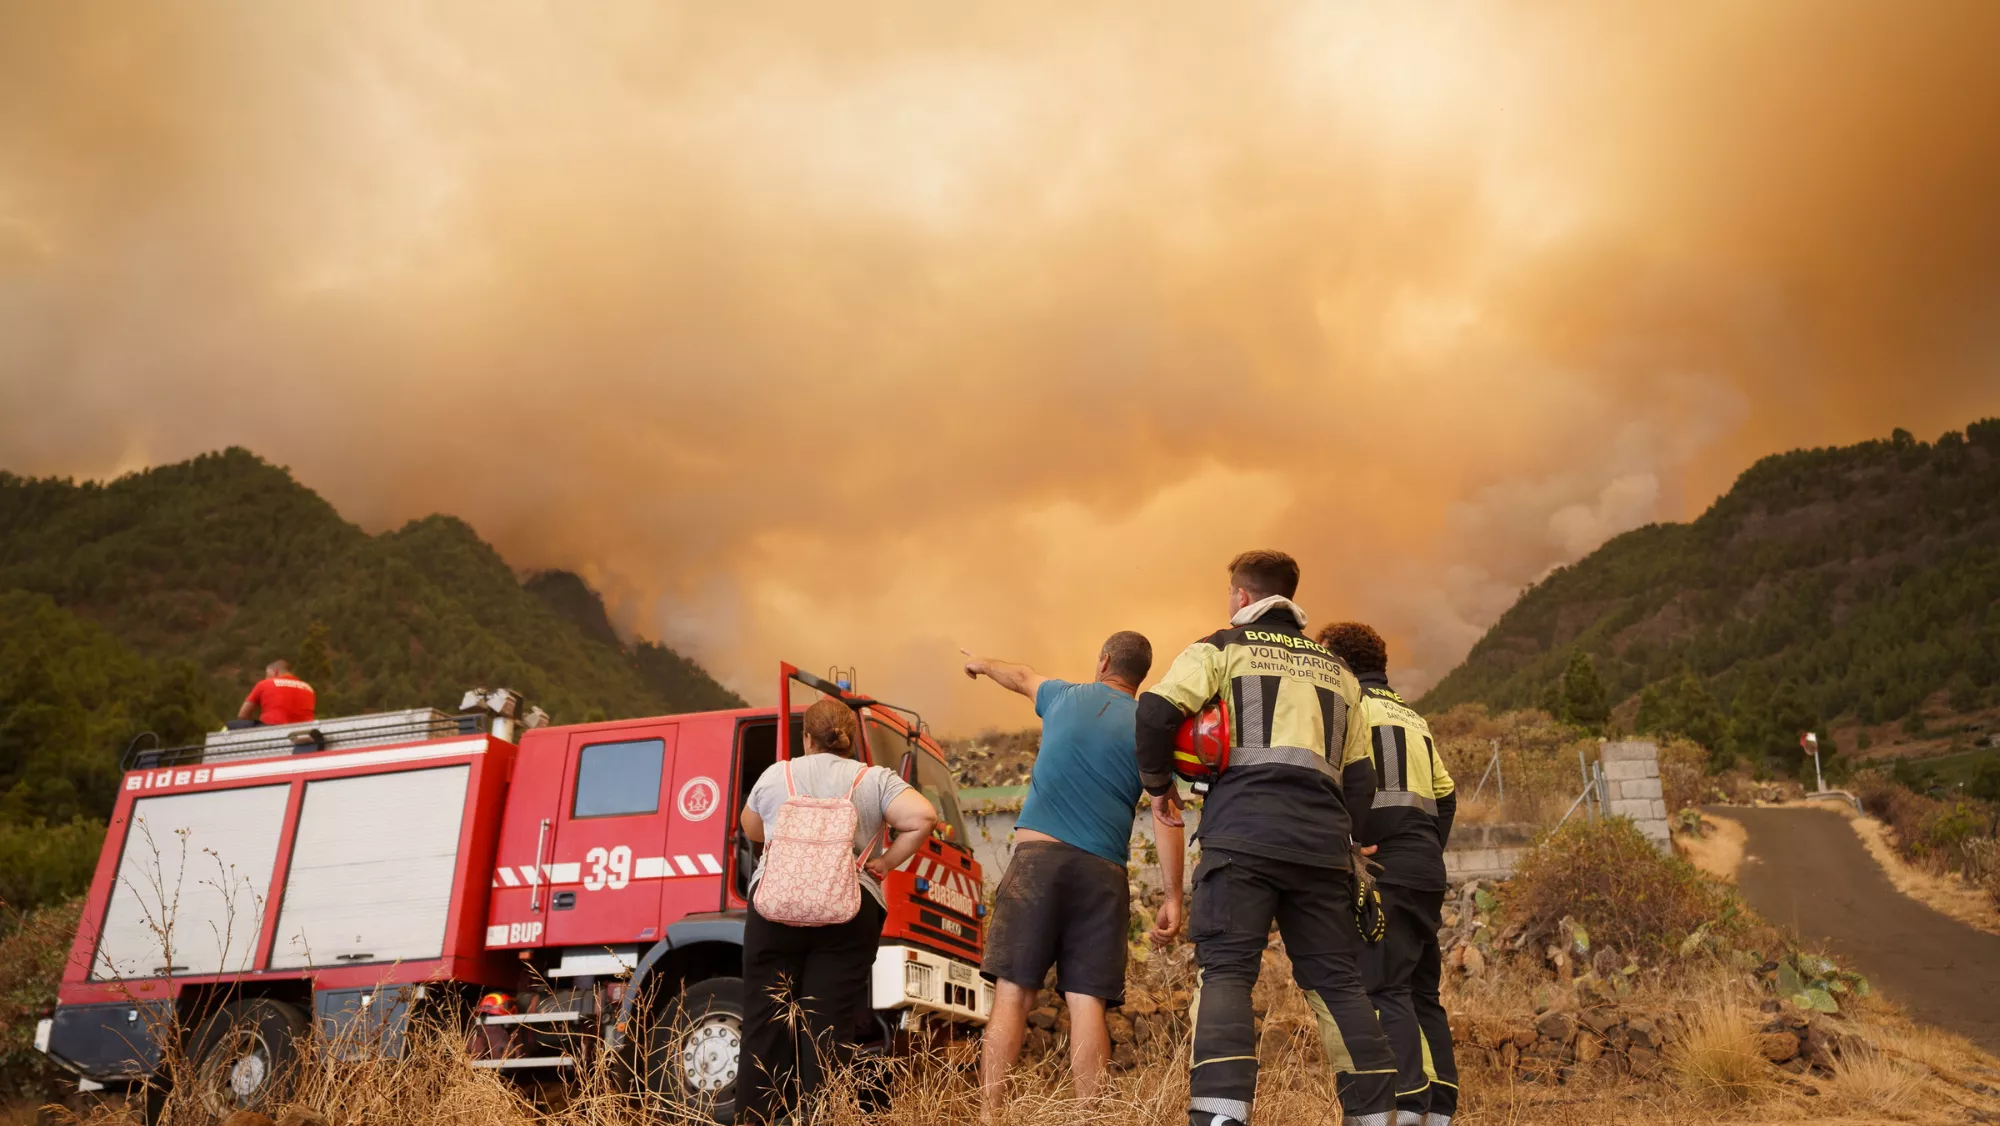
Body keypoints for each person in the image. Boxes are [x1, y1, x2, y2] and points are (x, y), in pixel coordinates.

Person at [1136, 550, 1396, 1126]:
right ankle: (1375, 1116)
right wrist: (1349, 844)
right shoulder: (1340, 672)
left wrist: (1159, 787)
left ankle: (1221, 1114)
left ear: (1242, 597)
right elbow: (1361, 779)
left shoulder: (1221, 646)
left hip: (1241, 840)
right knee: (1337, 982)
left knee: (1227, 970)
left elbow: (1154, 711)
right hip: (1324, 849)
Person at [961, 632, 1182, 1123]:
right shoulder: (1150, 725)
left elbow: (1017, 674)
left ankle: (990, 1117)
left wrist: (980, 662)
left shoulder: (1063, 696)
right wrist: (1172, 897)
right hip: (1102, 873)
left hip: (1037, 863)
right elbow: (1168, 814)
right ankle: (1090, 1118)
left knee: (1013, 992)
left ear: (1103, 660)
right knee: (1088, 1003)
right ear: (1141, 675)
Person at [736, 697, 938, 1125]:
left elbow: (750, 828)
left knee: (763, 1024)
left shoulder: (779, 774)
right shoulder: (874, 779)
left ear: (806, 737)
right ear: (849, 741)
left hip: (776, 909)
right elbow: (923, 816)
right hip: (848, 909)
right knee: (827, 1027)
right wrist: (884, 863)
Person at [1318, 622, 1459, 1126]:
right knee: (1424, 993)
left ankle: (1405, 1107)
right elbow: (1445, 796)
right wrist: (1425, 849)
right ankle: (1439, 1111)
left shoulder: (1347, 707)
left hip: (1384, 868)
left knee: (1384, 990)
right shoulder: (1414, 717)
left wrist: (1356, 844)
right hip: (1426, 868)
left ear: (1338, 660)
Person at [234, 660, 316, 727]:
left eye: (267, 674)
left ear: (275, 672)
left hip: (272, 729)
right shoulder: (308, 687)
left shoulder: (265, 684)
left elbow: (243, 714)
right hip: (305, 732)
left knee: (233, 726)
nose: (266, 677)